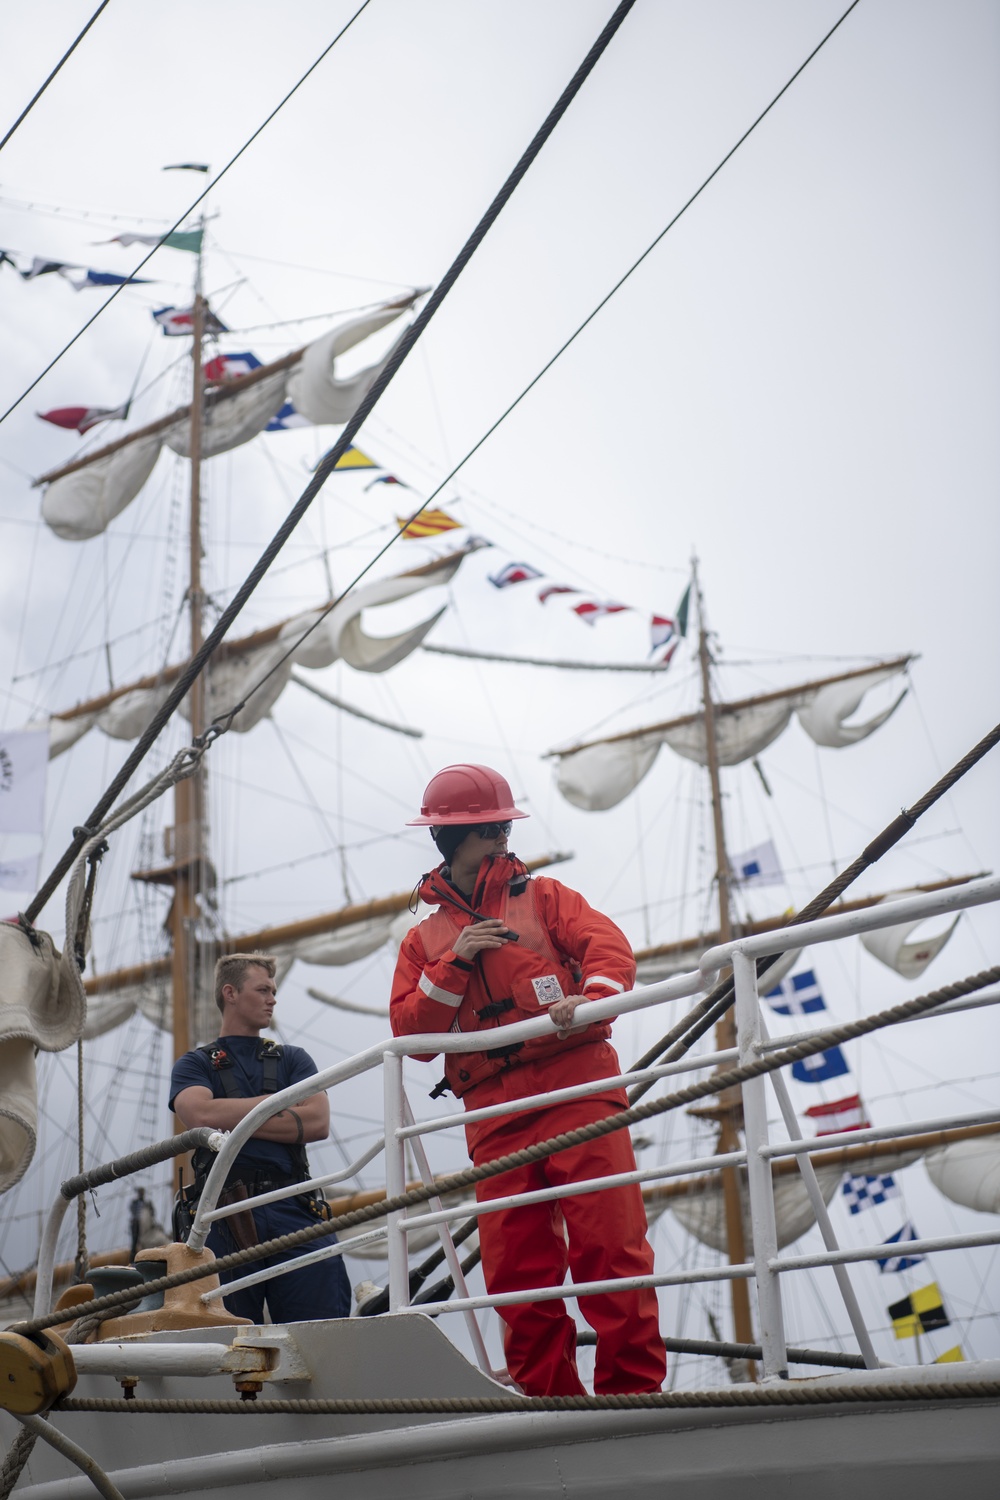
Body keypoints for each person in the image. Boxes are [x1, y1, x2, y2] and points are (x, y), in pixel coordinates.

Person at [390, 763, 665, 1398]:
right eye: (489, 830)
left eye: (502, 828)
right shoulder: (424, 942)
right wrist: (456, 962)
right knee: (517, 1273)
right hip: (492, 1113)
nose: (502, 840)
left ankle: (633, 1398)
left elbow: (608, 949)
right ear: (453, 842)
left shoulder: (546, 898)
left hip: (578, 1088)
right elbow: (411, 1035)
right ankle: (551, 1407)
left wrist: (590, 999)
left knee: (611, 1250)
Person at [169, 952, 351, 1322]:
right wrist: (276, 1105)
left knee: (322, 1325)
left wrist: (231, 1113)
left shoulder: (293, 1059)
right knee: (223, 1334)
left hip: (293, 1206)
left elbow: (317, 1121)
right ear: (231, 993)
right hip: (223, 1215)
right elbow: (198, 1115)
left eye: (274, 990)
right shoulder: (195, 1064)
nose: (273, 999)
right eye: (263, 989)